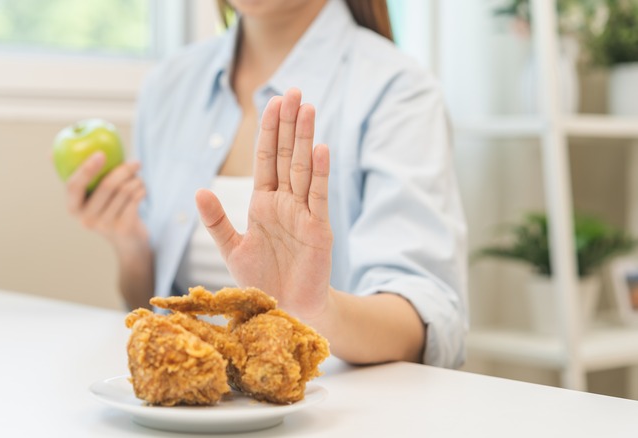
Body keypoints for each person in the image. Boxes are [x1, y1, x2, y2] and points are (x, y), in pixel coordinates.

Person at [63, 0, 468, 368]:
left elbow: (426, 316)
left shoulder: (398, 89)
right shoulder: (168, 85)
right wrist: (132, 246)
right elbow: (151, 304)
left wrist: (318, 310)